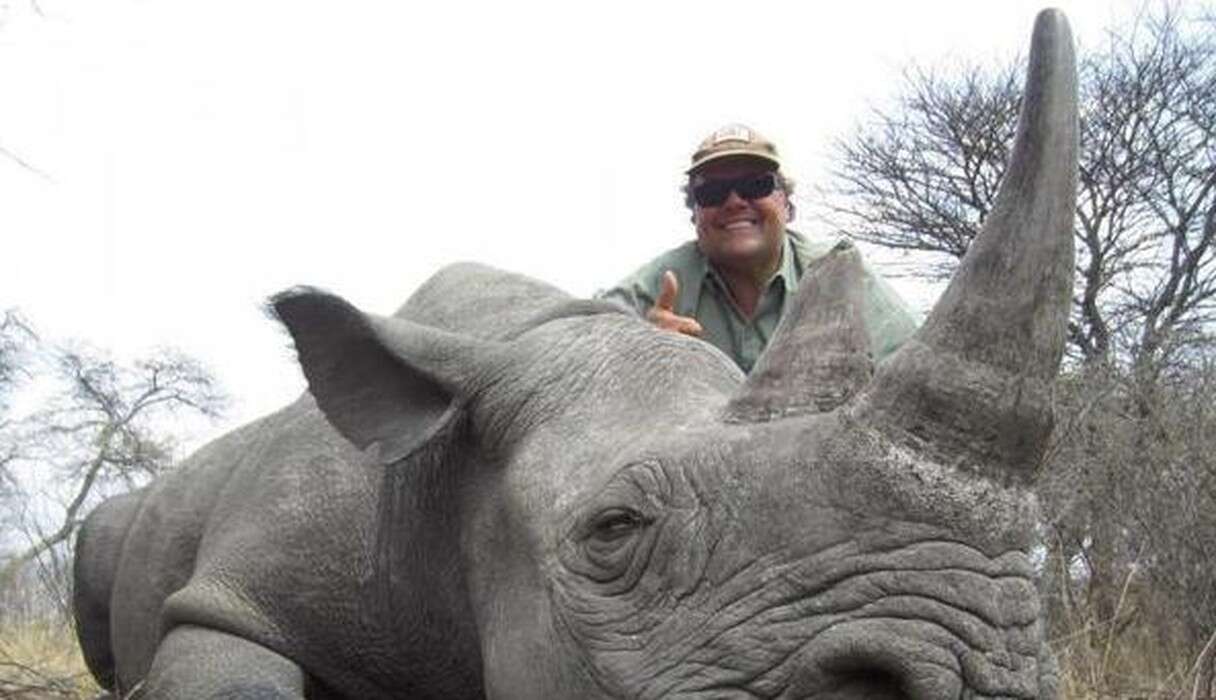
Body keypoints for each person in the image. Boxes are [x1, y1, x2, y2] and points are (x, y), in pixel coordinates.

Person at [598, 123, 918, 373]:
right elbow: (577, 340)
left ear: (786, 204)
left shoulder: (843, 277)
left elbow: (911, 371)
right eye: (712, 192)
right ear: (694, 214)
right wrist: (636, 352)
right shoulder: (654, 289)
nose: (735, 202)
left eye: (755, 185)